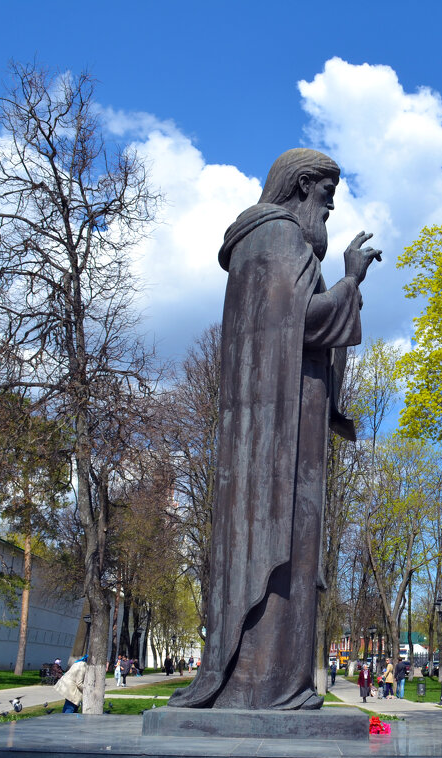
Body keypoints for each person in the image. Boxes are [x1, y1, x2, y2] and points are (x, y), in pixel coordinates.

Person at [169, 149, 378, 711]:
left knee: (294, 547)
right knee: (287, 546)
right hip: (280, 433)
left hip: (278, 419)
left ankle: (275, 686)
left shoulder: (260, 243)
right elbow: (306, 320)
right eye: (326, 195)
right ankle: (270, 688)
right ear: (303, 185)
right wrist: (351, 281)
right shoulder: (280, 236)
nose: (329, 207)